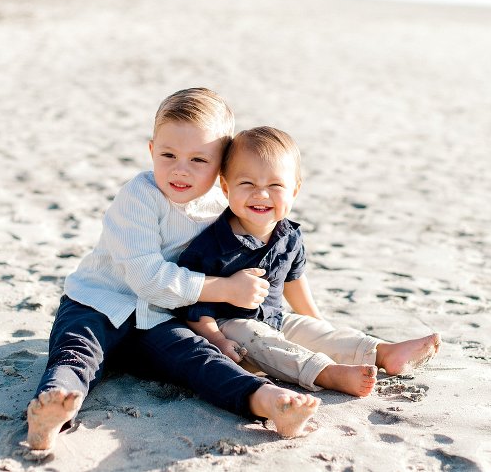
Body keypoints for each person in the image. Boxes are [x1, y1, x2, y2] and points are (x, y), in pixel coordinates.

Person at [26, 89, 320, 453]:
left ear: (222, 168)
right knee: (77, 350)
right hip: (99, 303)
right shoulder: (138, 197)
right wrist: (224, 290)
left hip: (161, 319)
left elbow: (262, 251)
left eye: (199, 159)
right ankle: (52, 410)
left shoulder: (222, 206)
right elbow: (148, 278)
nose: (181, 169)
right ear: (152, 151)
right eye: (168, 155)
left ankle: (271, 402)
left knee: (200, 358)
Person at [178, 126, 441, 397]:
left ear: (294, 190)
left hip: (275, 319)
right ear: (225, 187)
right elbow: (194, 305)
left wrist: (317, 322)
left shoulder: (288, 235)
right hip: (230, 331)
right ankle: (326, 373)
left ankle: (383, 353)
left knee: (314, 332)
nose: (261, 194)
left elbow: (293, 280)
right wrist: (218, 340)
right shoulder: (211, 245)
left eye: (275, 186)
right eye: (247, 184)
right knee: (259, 337)